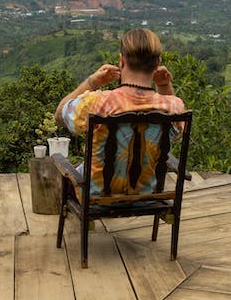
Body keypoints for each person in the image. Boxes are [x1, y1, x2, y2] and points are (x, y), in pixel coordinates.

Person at [56, 28, 186, 195]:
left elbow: (59, 114)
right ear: (158, 63)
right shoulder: (174, 107)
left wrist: (91, 82)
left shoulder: (97, 103)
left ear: (121, 60)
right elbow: (173, 133)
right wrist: (163, 86)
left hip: (96, 199)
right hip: (146, 198)